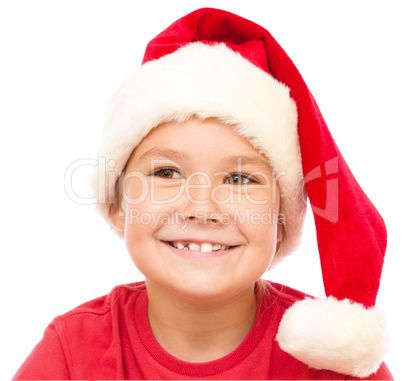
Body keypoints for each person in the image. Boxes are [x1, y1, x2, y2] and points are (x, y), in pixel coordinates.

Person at [13, 7, 393, 380]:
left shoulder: (332, 369)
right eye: (166, 172)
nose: (202, 207)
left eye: (240, 180)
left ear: (281, 220)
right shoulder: (72, 354)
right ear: (118, 205)